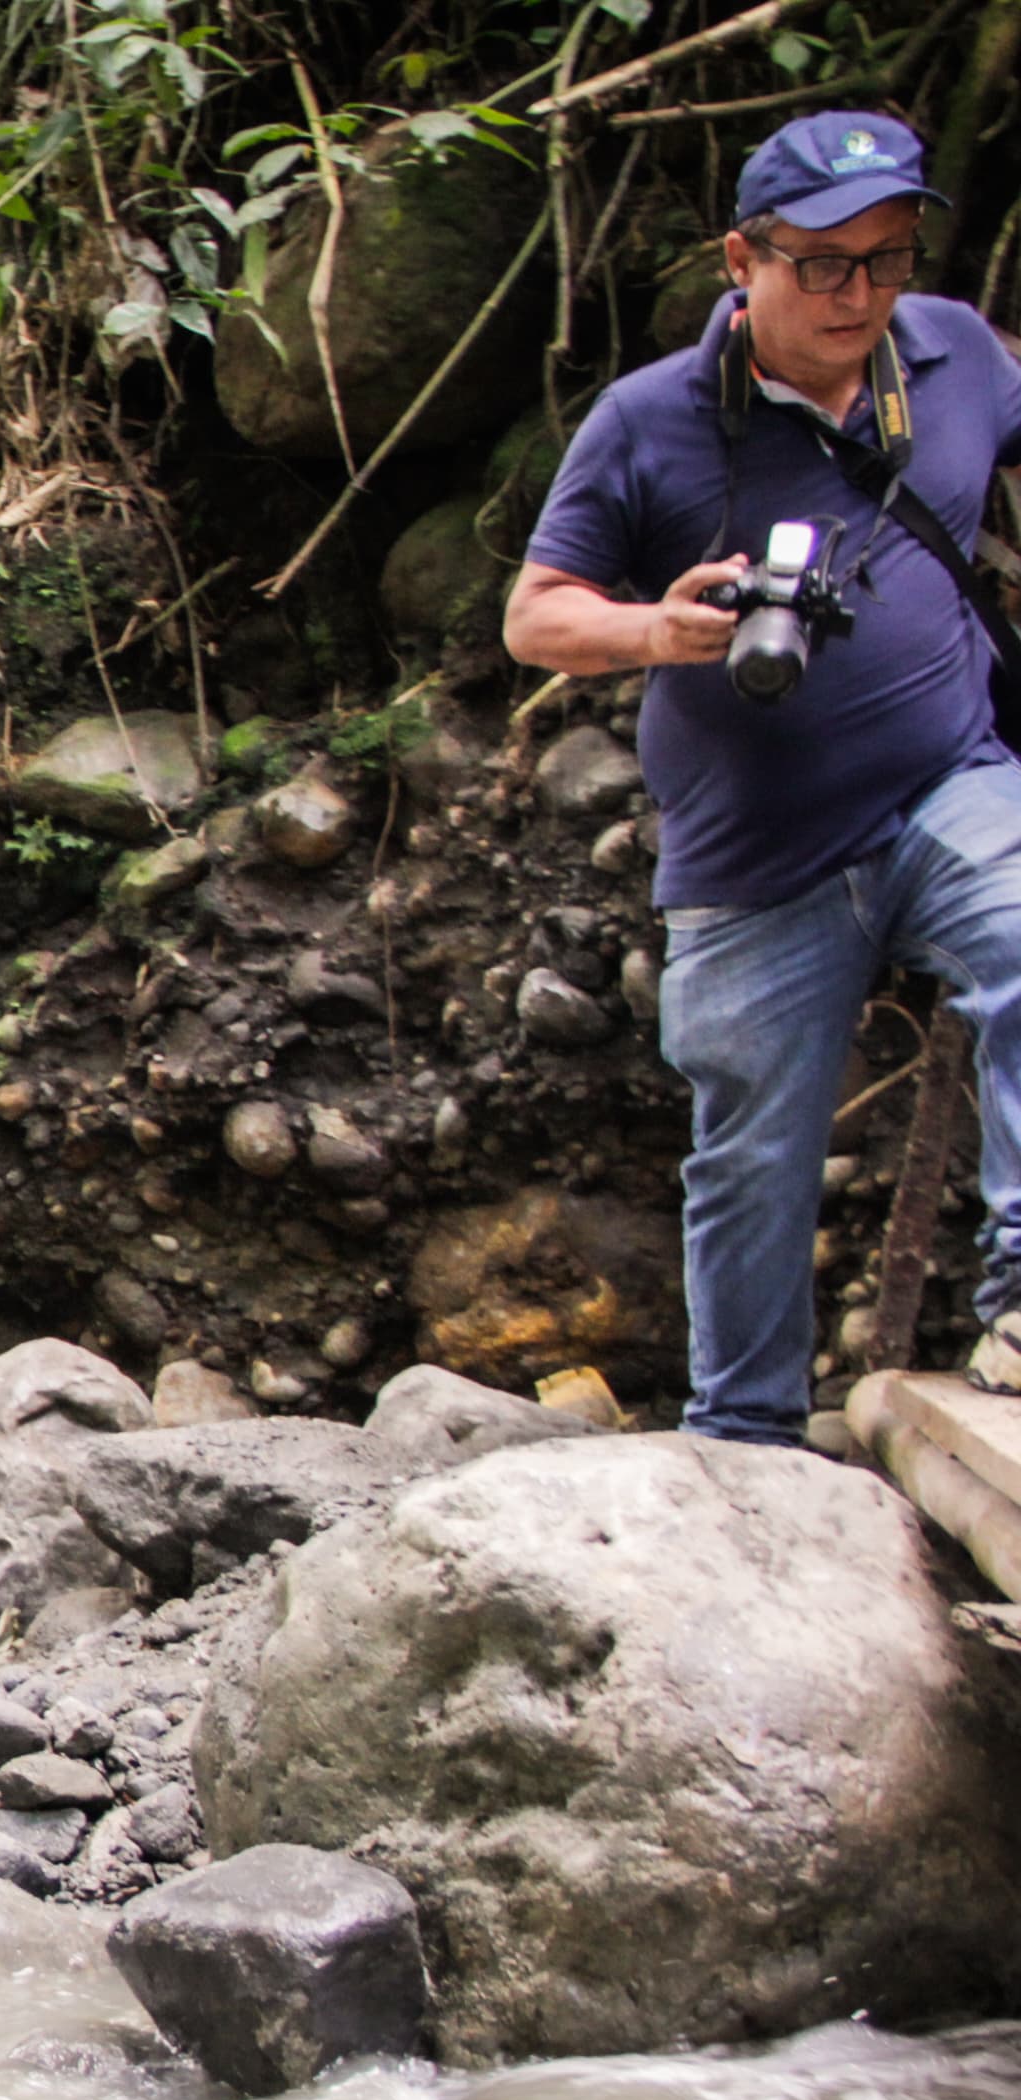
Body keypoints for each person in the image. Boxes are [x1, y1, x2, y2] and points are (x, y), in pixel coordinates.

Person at [504, 108, 1021, 1428]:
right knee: (754, 1155)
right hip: (756, 849)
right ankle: (743, 1440)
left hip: (943, 780)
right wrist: (660, 631)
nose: (861, 296)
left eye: (888, 259)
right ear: (745, 258)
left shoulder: (954, 354)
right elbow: (534, 615)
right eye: (826, 265)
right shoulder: (651, 421)